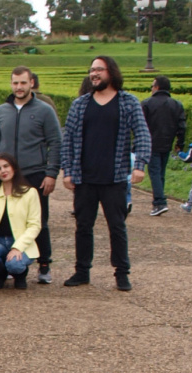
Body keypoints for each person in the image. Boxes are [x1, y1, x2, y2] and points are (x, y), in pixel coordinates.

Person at [61, 56, 151, 292]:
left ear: (111, 72)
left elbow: (142, 134)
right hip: (84, 177)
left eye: (99, 69)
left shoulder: (128, 102)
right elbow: (68, 140)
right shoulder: (80, 104)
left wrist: (140, 164)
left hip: (115, 177)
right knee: (83, 227)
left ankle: (122, 273)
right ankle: (82, 271)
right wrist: (67, 171)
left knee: (117, 227)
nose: (94, 74)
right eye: (92, 70)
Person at [0, 66, 62, 284]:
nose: (19, 87)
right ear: (11, 84)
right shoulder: (1, 111)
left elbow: (55, 142)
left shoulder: (44, 110)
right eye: (15, 83)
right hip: (6, 175)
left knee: (39, 221)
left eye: (23, 83)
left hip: (34, 173)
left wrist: (51, 173)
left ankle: (44, 264)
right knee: (5, 218)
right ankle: (5, 260)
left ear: (31, 83)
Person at [0, 153, 42, 290]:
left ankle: (20, 275)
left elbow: (34, 225)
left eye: (6, 166)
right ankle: (0, 274)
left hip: (21, 242)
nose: (3, 171)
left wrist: (17, 247)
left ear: (14, 168)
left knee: (14, 264)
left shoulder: (30, 193)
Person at [141, 75, 187, 216]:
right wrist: (180, 143)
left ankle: (160, 202)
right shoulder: (176, 104)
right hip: (167, 142)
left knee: (154, 172)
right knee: (160, 172)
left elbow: (140, 126)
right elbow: (182, 127)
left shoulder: (147, 103)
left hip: (151, 142)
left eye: (152, 86)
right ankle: (159, 200)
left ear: (157, 87)